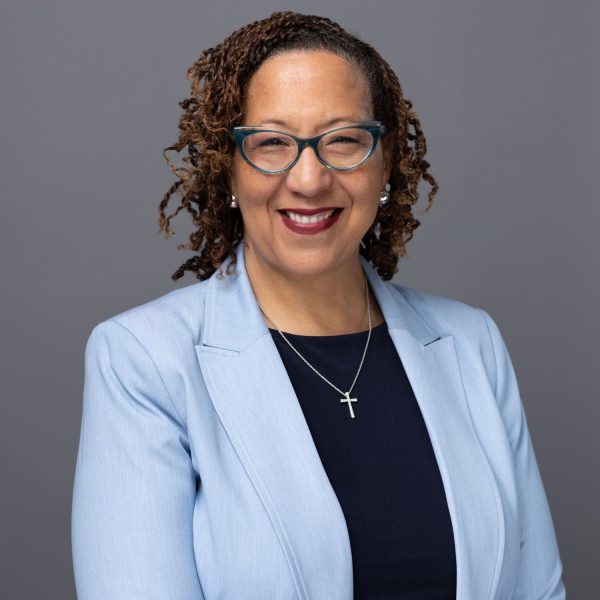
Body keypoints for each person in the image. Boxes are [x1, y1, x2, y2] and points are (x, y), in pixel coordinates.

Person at [71, 11, 566, 600]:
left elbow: (536, 590)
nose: (309, 179)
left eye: (343, 140)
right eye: (271, 143)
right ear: (228, 168)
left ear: (385, 161)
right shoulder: (144, 360)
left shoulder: (472, 342)